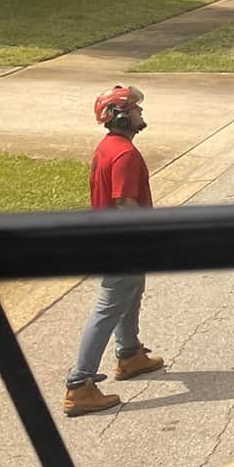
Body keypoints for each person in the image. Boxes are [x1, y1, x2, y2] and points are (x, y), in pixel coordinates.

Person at [63, 85, 164, 418]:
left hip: (114, 240)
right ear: (120, 116)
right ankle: (79, 386)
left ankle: (130, 354)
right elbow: (124, 203)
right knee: (108, 307)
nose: (140, 113)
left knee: (130, 292)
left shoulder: (108, 147)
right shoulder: (124, 154)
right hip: (124, 242)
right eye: (134, 108)